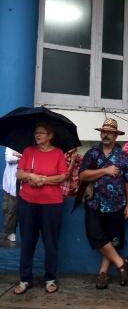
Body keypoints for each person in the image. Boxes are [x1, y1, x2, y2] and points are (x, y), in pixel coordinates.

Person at [79, 118, 128, 290]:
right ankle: (121, 263)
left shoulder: (123, 156)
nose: (106, 134)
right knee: (95, 235)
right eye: (104, 132)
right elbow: (82, 175)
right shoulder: (92, 153)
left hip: (117, 205)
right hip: (94, 203)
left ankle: (102, 273)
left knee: (111, 239)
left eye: (109, 132)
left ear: (115, 136)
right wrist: (105, 170)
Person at [14, 122, 68, 294]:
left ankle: (50, 278)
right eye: (36, 133)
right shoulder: (29, 151)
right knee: (27, 241)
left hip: (51, 205)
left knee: (50, 242)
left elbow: (62, 176)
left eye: (42, 133)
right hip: (27, 202)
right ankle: (25, 279)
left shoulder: (58, 153)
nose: (38, 135)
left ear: (50, 135)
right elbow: (19, 173)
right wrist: (30, 175)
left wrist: (43, 180)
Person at [3, 147, 21, 242]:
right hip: (10, 185)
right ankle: (10, 232)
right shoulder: (10, 146)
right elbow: (9, 158)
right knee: (10, 209)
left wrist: (17, 155)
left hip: (22, 184)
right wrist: (22, 157)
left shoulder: (30, 146)